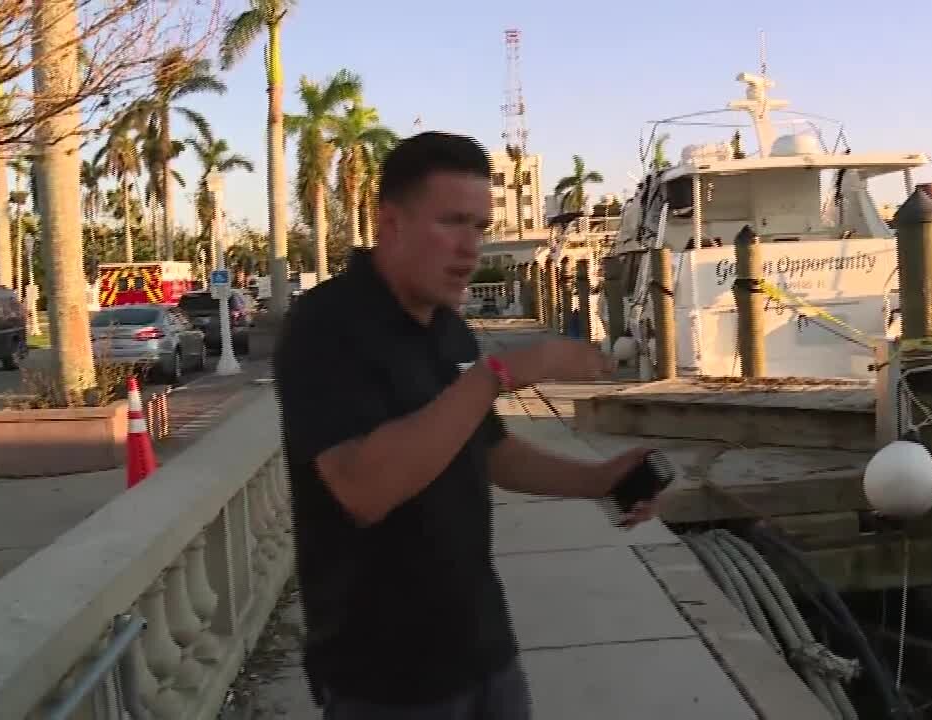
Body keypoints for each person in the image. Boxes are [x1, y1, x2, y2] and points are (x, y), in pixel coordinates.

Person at [273, 131, 658, 719]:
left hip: (483, 646)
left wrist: (599, 480)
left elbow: (487, 450)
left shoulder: (448, 329)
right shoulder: (325, 325)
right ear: (390, 223)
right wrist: (502, 373)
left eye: (479, 227)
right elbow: (363, 488)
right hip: (384, 676)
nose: (470, 248)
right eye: (452, 222)